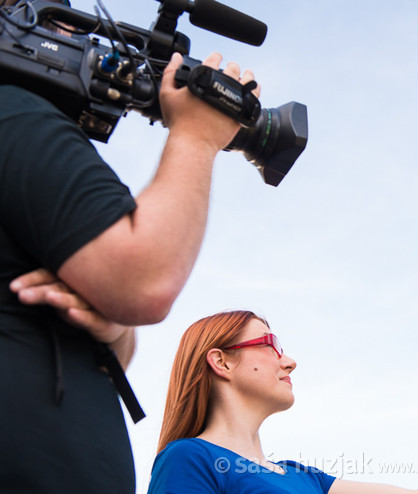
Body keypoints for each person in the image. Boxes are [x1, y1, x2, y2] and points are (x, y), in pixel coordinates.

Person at [0, 0, 262, 491]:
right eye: (55, 18)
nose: (77, 36)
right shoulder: (12, 112)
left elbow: (119, 337)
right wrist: (198, 136)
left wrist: (112, 324)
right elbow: (146, 281)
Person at [148, 310, 418, 493]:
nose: (289, 360)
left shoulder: (304, 477)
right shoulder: (188, 459)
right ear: (220, 361)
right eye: (270, 344)